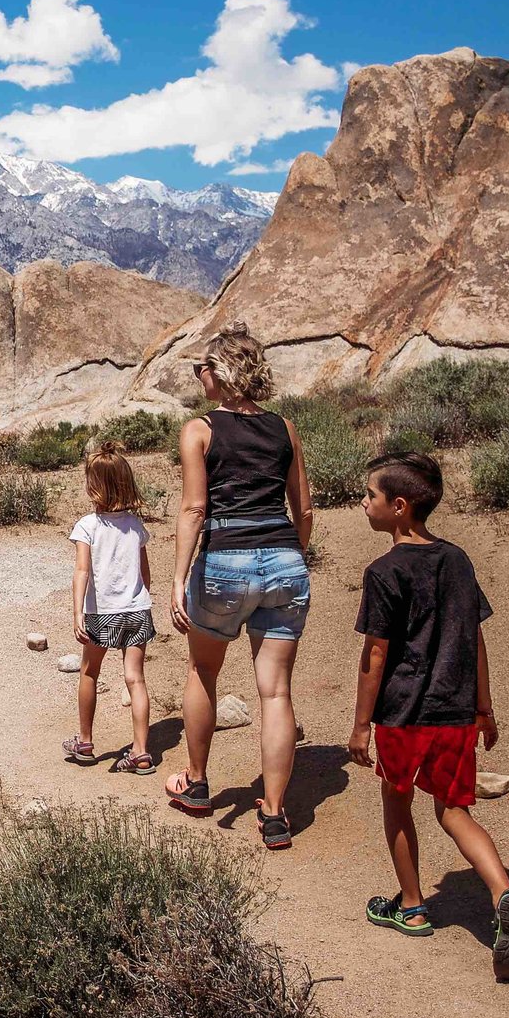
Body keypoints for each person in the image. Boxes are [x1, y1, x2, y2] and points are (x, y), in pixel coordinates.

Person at [347, 450, 509, 981]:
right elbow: (473, 637)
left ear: (399, 507)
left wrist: (362, 724)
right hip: (454, 710)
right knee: (454, 811)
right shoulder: (457, 560)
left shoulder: (383, 572)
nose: (364, 503)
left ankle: (410, 906)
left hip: (402, 713)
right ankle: (503, 895)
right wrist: (484, 707)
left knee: (398, 801)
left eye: (370, 496)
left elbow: (376, 654)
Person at [165, 325, 312, 849]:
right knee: (275, 691)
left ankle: (199, 784)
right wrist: (289, 554)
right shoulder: (284, 429)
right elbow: (305, 510)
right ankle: (274, 813)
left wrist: (179, 578)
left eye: (201, 367)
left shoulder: (199, 431)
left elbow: (194, 508)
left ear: (222, 372)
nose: (198, 376)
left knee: (204, 670)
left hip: (224, 561)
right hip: (284, 564)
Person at [62, 441, 157, 773]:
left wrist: (77, 614)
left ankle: (85, 742)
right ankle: (142, 752)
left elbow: (82, 572)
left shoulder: (88, 526)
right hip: (137, 609)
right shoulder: (135, 526)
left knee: (90, 672)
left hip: (102, 613)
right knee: (136, 679)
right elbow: (146, 575)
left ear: (94, 486)